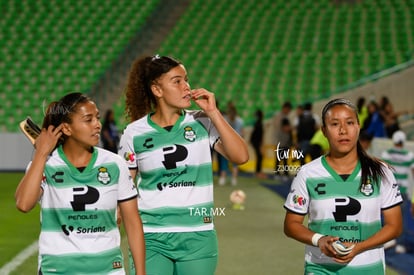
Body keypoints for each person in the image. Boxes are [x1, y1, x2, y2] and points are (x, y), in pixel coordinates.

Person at [118, 55, 249, 275]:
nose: (186, 86)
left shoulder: (202, 122)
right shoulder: (134, 133)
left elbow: (241, 156)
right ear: (157, 90)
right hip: (151, 237)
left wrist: (214, 113)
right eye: (177, 81)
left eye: (186, 80)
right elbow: (124, 188)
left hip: (198, 235)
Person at [15, 92, 146, 275]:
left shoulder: (115, 164)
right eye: (88, 119)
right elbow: (23, 203)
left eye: (97, 118)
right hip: (57, 270)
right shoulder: (46, 165)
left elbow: (133, 223)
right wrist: (41, 154)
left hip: (107, 270)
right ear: (67, 129)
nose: (97, 124)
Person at [283, 98, 403, 274]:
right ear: (324, 131)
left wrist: (359, 247)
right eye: (334, 124)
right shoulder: (308, 173)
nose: (343, 130)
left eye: (349, 122)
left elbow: (395, 226)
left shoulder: (381, 172)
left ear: (358, 127)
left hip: (368, 270)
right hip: (321, 268)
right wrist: (319, 239)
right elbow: (291, 224)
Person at [382, 130, 414, 253]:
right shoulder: (409, 155)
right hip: (403, 191)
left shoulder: (386, 154)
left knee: (388, 216)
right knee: (403, 220)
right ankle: (400, 244)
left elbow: (383, 173)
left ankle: (387, 240)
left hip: (390, 191)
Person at [218, 102, 245, 186]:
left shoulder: (224, 119)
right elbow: (243, 134)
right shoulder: (240, 121)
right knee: (234, 163)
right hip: (235, 144)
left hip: (226, 143)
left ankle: (223, 178)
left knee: (224, 162)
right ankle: (234, 179)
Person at [272, 101, 293, 180]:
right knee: (279, 158)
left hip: (285, 141)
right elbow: (282, 128)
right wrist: (291, 128)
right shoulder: (279, 116)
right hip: (280, 141)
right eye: (288, 110)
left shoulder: (285, 116)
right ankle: (278, 174)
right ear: (285, 108)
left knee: (284, 158)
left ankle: (284, 173)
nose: (289, 111)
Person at [250, 109, 266, 178]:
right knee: (259, 156)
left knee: (259, 157)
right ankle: (258, 172)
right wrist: (260, 145)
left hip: (255, 141)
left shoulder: (258, 123)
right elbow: (259, 135)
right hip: (256, 142)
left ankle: (258, 171)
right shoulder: (259, 123)